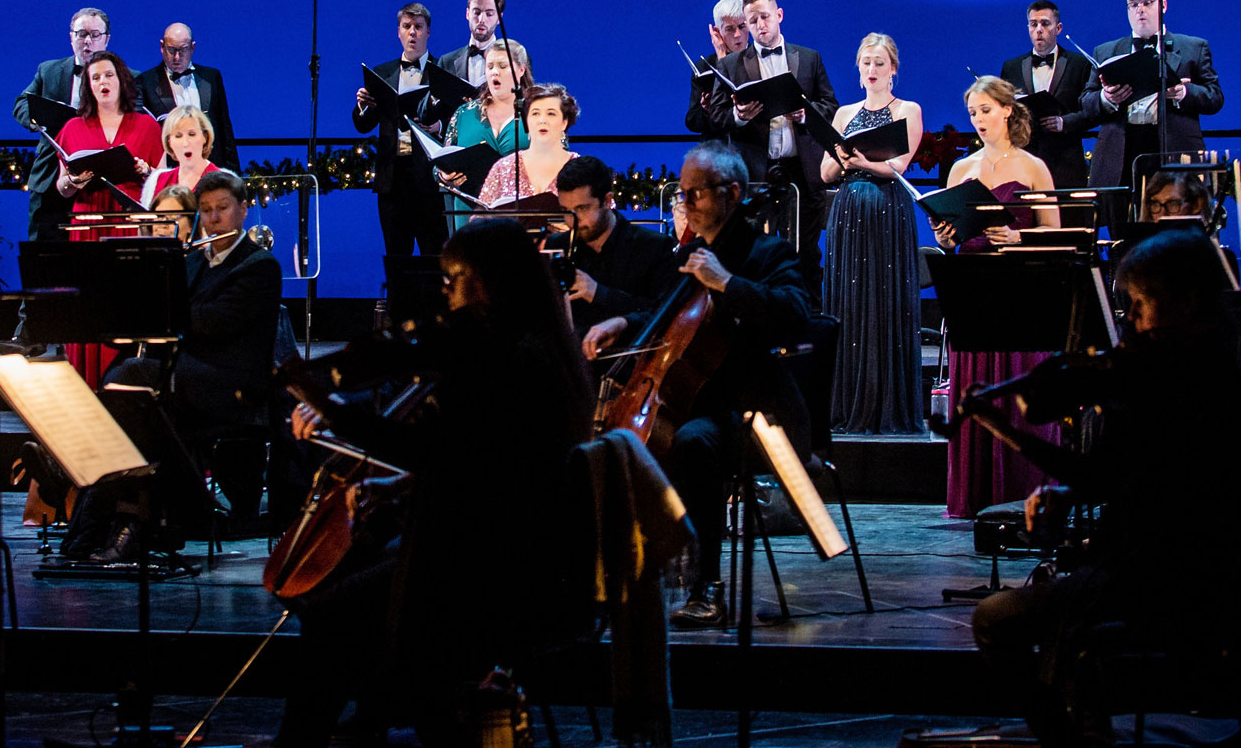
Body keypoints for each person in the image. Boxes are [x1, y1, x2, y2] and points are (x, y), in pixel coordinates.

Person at [278, 218, 593, 743]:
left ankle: (330, 733)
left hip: (493, 569)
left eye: (452, 280)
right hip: (508, 549)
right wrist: (398, 489)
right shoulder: (538, 348)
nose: (444, 294)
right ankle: (377, 716)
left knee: (333, 617)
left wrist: (332, 409)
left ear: (487, 281)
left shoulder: (508, 359)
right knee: (366, 579)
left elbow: (434, 450)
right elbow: (474, 460)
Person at [969, 229, 1241, 748]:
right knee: (1059, 602)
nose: (1132, 322)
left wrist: (1006, 428)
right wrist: (1071, 496)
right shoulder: (1216, 367)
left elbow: (1099, 474)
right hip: (1192, 563)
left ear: (1184, 302)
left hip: (1162, 570)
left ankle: (1068, 740)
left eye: (1141, 305)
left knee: (994, 619)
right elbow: (1135, 471)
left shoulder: (1175, 376)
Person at [583, 141, 810, 628]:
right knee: (617, 443)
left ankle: (707, 582)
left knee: (691, 442)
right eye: (682, 195)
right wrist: (623, 323)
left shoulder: (766, 252)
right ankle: (617, 577)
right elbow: (668, 314)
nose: (686, 204)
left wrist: (727, 282)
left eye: (695, 194)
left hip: (753, 411)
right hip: (694, 402)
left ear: (731, 192)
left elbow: (797, 315)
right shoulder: (693, 253)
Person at [67, 170, 283, 559]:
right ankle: (124, 522)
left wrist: (168, 315)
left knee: (133, 378)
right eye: (205, 211)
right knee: (133, 395)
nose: (213, 218)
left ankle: (97, 515)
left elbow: (208, 324)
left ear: (244, 210)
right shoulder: (194, 261)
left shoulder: (259, 265)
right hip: (187, 380)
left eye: (222, 209)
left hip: (232, 386)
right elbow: (174, 316)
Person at [931, 77, 1062, 518]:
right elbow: (951, 240)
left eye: (986, 110)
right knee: (977, 389)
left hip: (1019, 289)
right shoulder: (960, 170)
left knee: (1019, 388)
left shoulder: (1032, 167)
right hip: (972, 287)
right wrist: (946, 237)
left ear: (1007, 110)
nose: (979, 120)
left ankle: (1027, 491)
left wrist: (1017, 236)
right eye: (973, 113)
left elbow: (1055, 231)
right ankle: (978, 494)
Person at [818, 34, 925, 434]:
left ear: (893, 68)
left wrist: (865, 160)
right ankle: (847, 403)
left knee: (884, 299)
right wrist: (843, 159)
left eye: (880, 63)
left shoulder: (907, 110)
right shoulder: (844, 114)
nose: (872, 70)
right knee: (849, 301)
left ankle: (887, 404)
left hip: (886, 211)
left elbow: (899, 164)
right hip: (848, 214)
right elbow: (825, 174)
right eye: (866, 62)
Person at [54, 51, 165, 383]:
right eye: (95, 78)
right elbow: (62, 187)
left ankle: (125, 381)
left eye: (109, 75)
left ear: (122, 80)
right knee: (89, 307)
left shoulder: (145, 124)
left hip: (128, 226)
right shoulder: (73, 127)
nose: (103, 82)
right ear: (88, 86)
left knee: (127, 308)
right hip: (88, 226)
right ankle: (88, 383)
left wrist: (147, 172)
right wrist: (71, 182)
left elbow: (163, 183)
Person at [722, 0, 839, 297]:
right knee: (756, 254)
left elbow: (830, 105)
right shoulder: (732, 64)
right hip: (757, 174)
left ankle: (811, 329)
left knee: (807, 255)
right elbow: (715, 118)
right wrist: (739, 114)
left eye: (764, 17)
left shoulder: (809, 58)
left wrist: (806, 113)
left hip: (802, 171)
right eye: (752, 21)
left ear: (778, 15)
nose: (760, 25)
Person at [1079, 0, 1222, 229]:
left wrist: (1182, 93)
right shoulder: (1106, 51)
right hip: (1122, 152)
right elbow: (1086, 103)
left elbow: (1215, 97)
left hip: (1171, 148)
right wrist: (1106, 98)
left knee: (1176, 231)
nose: (1140, 10)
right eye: (1133, 4)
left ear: (1163, 5)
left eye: (1147, 2)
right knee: (1121, 236)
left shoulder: (1193, 47)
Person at [550, 154, 678, 342]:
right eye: (566, 211)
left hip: (629, 365)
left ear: (608, 201)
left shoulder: (653, 247)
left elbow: (662, 312)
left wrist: (598, 293)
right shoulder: (557, 246)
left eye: (583, 209)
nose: (573, 221)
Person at [353, 3, 446, 259]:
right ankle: (397, 301)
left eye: (418, 27)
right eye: (407, 27)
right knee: (396, 257)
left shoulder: (442, 71)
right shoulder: (382, 73)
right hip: (392, 181)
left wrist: (438, 126)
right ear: (398, 32)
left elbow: (454, 118)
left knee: (434, 255)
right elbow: (363, 125)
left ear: (428, 31)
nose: (412, 33)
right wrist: (362, 106)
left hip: (429, 180)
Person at [13, 7, 111, 241]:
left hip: (99, 178)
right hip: (50, 175)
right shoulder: (49, 70)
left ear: (107, 39)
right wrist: (39, 121)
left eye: (95, 35)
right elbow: (21, 104)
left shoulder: (121, 76)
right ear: (71, 37)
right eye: (81, 34)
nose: (87, 41)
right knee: (42, 252)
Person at [996, 0, 1094, 190]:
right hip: (1024, 162)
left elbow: (1091, 112)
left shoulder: (1079, 64)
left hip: (1066, 165)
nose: (1038, 29)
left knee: (1068, 219)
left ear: (1058, 28)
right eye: (1033, 24)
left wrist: (1064, 122)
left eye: (1045, 23)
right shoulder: (1011, 67)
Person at [136, 23, 241, 172]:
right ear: (162, 46)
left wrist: (234, 175)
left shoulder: (211, 77)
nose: (176, 57)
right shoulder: (146, 81)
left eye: (183, 50)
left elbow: (225, 129)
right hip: (171, 173)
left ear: (192, 47)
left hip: (211, 170)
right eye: (171, 50)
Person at [438, 38, 531, 196]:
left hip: (521, 211)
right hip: (469, 212)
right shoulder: (463, 114)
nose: (495, 71)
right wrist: (444, 174)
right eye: (490, 66)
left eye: (503, 66)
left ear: (521, 70)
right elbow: (441, 163)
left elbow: (560, 160)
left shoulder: (537, 114)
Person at [476, 82, 578, 206]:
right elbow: (480, 219)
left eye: (551, 114)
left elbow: (602, 217)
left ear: (564, 122)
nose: (542, 120)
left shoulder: (581, 170)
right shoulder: (503, 167)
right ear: (526, 120)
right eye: (535, 113)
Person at [684, 0, 750, 139]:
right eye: (730, 29)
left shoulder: (761, 57)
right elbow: (692, 121)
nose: (738, 35)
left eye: (741, 26)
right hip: (717, 151)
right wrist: (706, 110)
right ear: (717, 32)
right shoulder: (703, 66)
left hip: (755, 149)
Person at [140, 104, 221, 206]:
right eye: (178, 136)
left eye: (192, 134)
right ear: (169, 142)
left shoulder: (222, 180)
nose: (185, 143)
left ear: (204, 137)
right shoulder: (158, 181)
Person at [436, 0, 504, 87]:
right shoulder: (446, 62)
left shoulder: (512, 62)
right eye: (477, 12)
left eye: (489, 14)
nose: (481, 20)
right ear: (467, 14)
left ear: (499, 18)